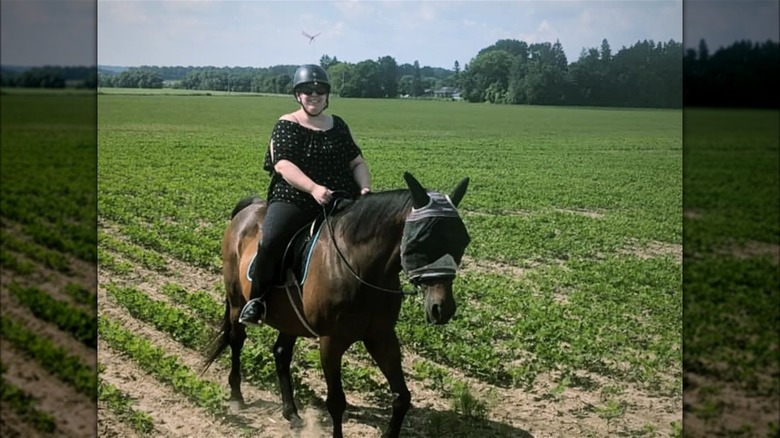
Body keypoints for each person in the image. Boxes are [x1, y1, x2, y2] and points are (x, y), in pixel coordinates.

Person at [239, 64, 372, 325]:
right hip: (295, 198)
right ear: (297, 95)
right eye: (307, 90)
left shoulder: (338, 125)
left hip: (340, 199)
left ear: (327, 94)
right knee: (272, 240)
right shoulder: (287, 124)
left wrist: (365, 188)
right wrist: (313, 188)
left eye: (320, 90)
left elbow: (357, 162)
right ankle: (257, 300)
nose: (315, 94)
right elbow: (283, 165)